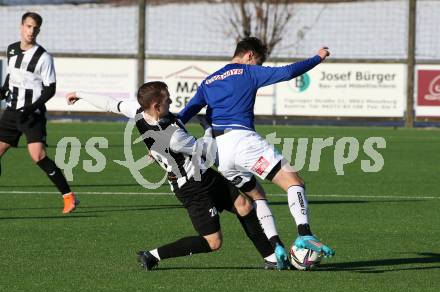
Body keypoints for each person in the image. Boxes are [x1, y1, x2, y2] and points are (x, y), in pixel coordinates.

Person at [65, 81, 285, 270]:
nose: (171, 102)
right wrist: (209, 128)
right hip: (190, 187)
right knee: (213, 243)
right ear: (156, 106)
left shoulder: (140, 112)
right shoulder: (173, 136)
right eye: (167, 100)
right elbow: (206, 149)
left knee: (244, 206)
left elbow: (110, 104)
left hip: (203, 174)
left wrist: (80, 94)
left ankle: (272, 258)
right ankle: (152, 255)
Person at [178, 37, 335, 260]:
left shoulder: (209, 81)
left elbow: (185, 114)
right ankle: (305, 233)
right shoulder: (248, 72)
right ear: (250, 55)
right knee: (294, 182)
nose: (260, 67)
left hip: (220, 155)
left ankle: (276, 246)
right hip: (243, 142)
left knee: (257, 196)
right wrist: (317, 58)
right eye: (259, 62)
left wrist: (159, 140)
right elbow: (287, 72)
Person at [0, 12, 79, 214]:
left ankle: (69, 197)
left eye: (35, 28)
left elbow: (50, 88)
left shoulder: (43, 57)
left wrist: (32, 107)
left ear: (39, 30)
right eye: (28, 26)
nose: (31, 31)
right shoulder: (10, 50)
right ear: (21, 26)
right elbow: (11, 75)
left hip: (32, 114)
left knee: (38, 155)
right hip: (11, 111)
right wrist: (3, 90)